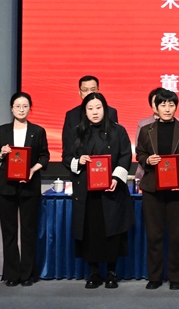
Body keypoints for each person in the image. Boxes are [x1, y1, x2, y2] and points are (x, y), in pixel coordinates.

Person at [61, 92, 134, 289]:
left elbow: (125, 156)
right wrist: (78, 161)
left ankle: (111, 272)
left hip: (111, 191)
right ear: (85, 111)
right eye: (90, 108)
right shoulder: (76, 132)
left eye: (98, 108)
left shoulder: (118, 131)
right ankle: (93, 273)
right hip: (87, 194)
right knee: (90, 233)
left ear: (105, 109)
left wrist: (116, 178)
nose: (95, 112)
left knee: (112, 232)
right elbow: (66, 157)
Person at [136, 88, 179, 290]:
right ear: (155, 107)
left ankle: (176, 277)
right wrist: (148, 160)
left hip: (177, 189)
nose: (167, 108)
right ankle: (154, 277)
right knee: (154, 235)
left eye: (171, 104)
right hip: (152, 189)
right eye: (163, 104)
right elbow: (140, 153)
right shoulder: (146, 130)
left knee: (176, 235)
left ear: (176, 107)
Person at [0, 91, 49, 286]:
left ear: (30, 108)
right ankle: (11, 274)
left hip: (29, 186)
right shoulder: (2, 131)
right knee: (9, 231)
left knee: (28, 230)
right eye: (17, 106)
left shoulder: (38, 131)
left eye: (25, 106)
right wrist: (2, 153)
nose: (21, 109)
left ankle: (27, 274)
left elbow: (44, 157)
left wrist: (32, 169)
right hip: (6, 187)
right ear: (11, 109)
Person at [62, 75, 118, 156]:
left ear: (98, 90)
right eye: (85, 90)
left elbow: (115, 143)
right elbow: (67, 145)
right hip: (80, 161)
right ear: (79, 92)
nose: (89, 93)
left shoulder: (110, 112)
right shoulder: (71, 115)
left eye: (93, 89)